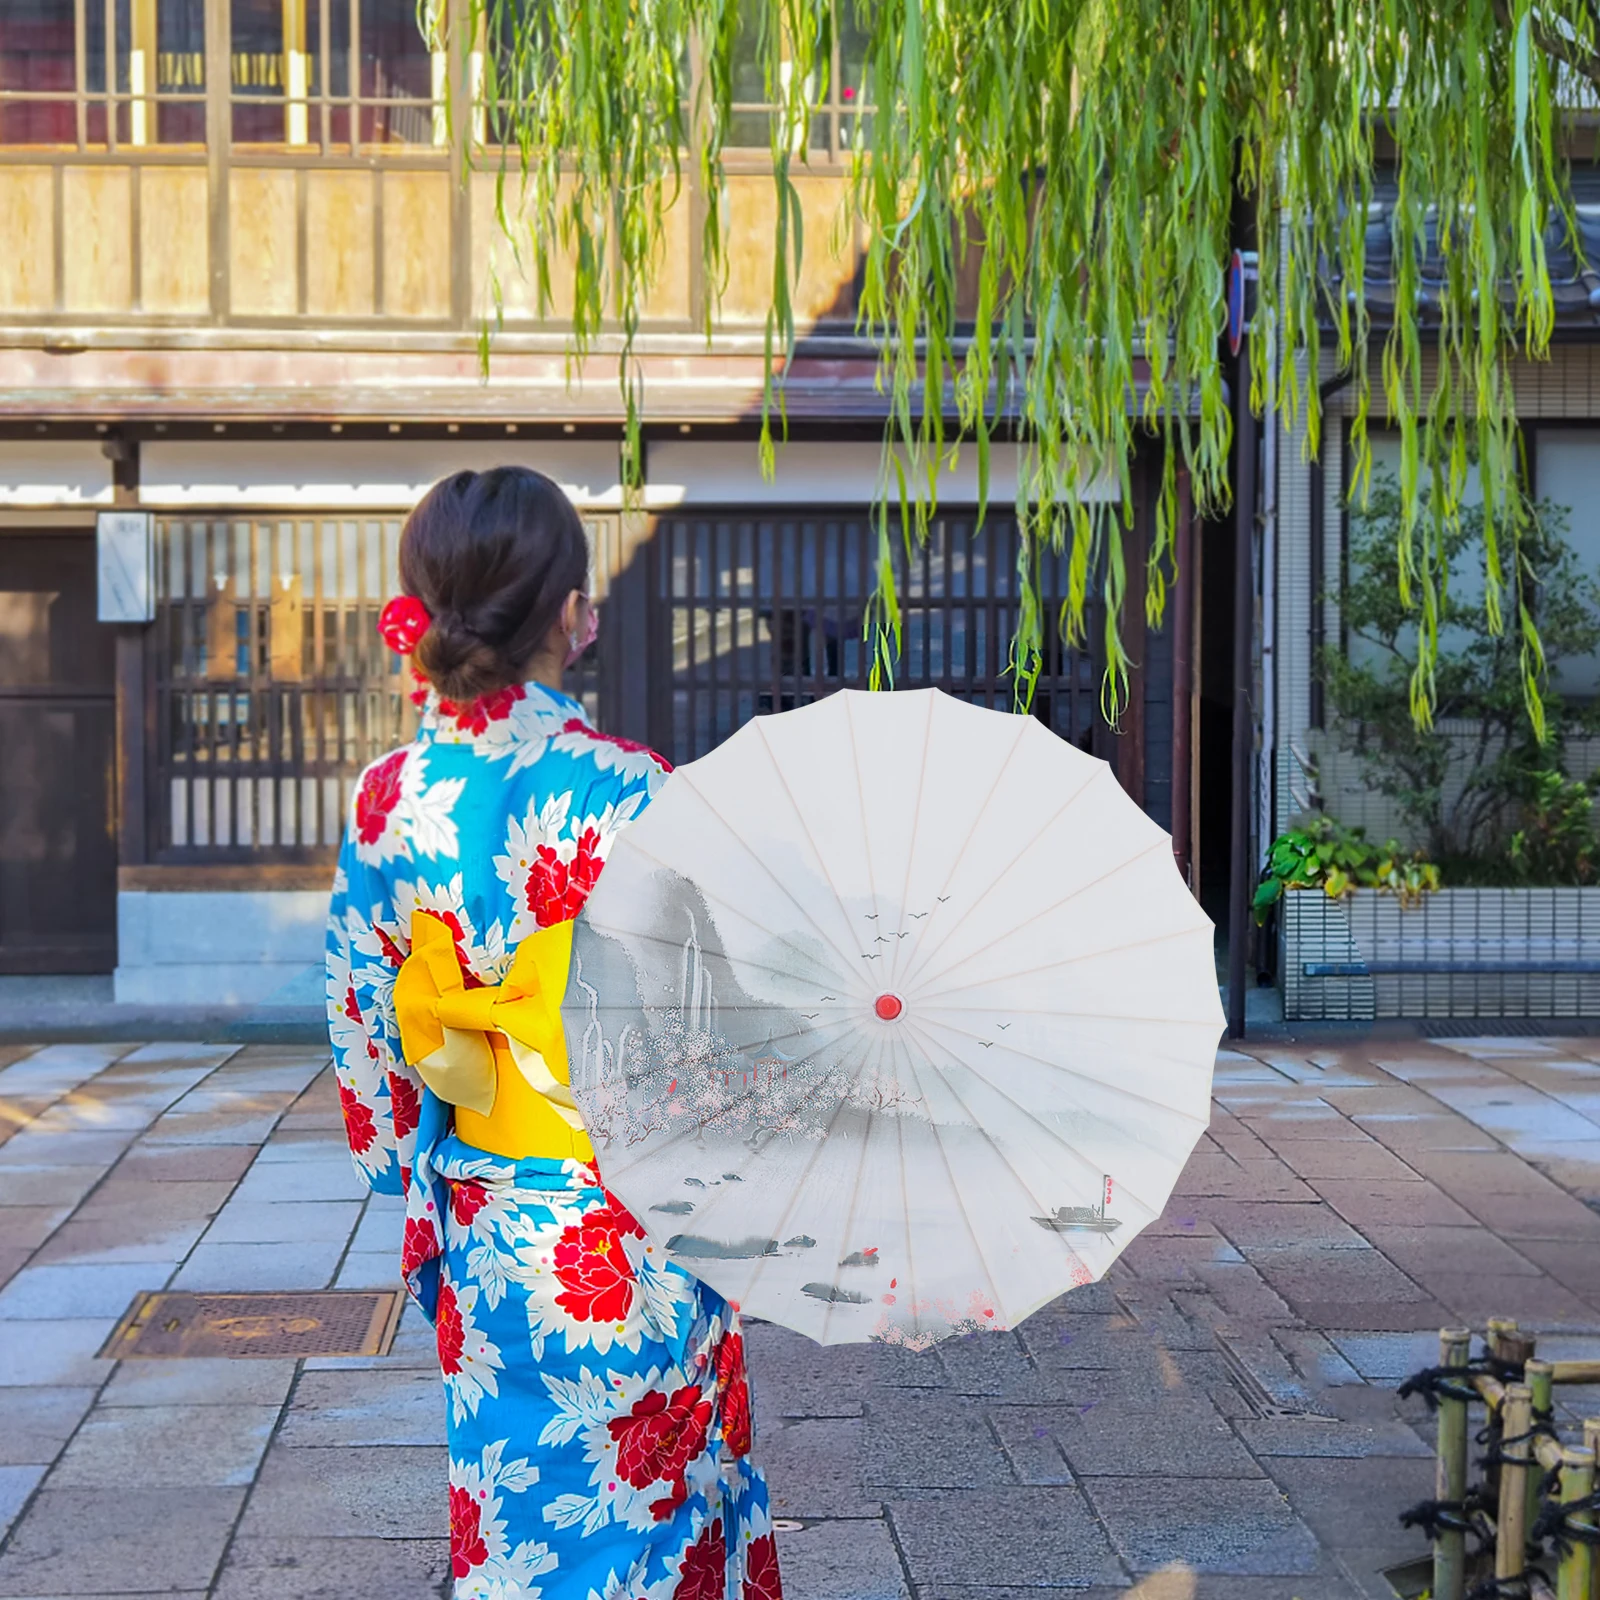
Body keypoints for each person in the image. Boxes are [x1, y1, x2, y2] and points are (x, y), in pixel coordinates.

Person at [326, 467, 783, 1600]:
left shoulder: (390, 797)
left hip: (486, 1211)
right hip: (623, 1216)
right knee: (649, 1516)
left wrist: (401, 1150)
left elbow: (364, 1012)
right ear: (573, 616)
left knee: (512, 1510)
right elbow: (710, 1036)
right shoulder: (632, 790)